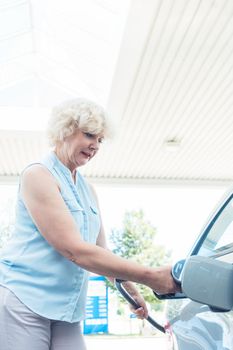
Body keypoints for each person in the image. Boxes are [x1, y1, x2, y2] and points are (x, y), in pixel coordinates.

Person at [0, 98, 179, 350]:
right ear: (65, 130)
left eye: (100, 140)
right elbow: (74, 250)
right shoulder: (38, 175)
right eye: (89, 135)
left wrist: (130, 288)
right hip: (24, 300)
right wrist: (150, 276)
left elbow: (100, 252)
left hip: (66, 308)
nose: (95, 145)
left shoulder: (88, 190)